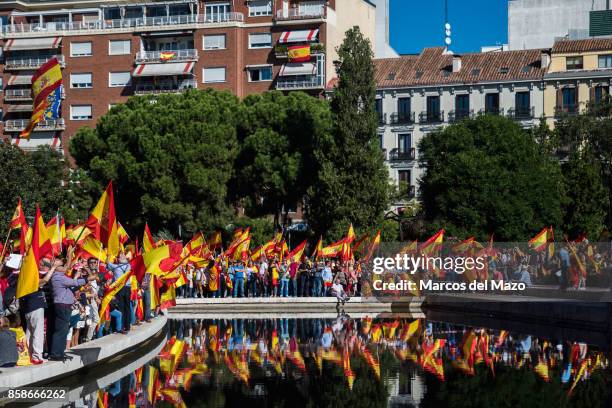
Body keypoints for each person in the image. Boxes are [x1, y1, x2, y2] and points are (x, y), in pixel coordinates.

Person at [49, 260, 96, 361]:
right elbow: (74, 282)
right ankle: (56, 354)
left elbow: (72, 286)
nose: (65, 267)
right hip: (62, 306)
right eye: (62, 265)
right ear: (56, 267)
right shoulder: (58, 277)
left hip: (65, 306)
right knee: (61, 330)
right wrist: (87, 279)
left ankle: (60, 352)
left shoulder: (60, 276)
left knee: (64, 330)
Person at [22, 258, 56, 364]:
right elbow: (45, 280)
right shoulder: (31, 279)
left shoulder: (24, 278)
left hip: (29, 308)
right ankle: (37, 356)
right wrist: (54, 267)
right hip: (35, 307)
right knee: (38, 332)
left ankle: (28, 355)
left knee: (30, 333)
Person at [106, 253, 132, 333]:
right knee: (122, 307)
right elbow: (107, 262)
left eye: (121, 256)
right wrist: (109, 256)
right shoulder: (116, 266)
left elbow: (127, 273)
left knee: (126, 307)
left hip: (125, 287)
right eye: (118, 256)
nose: (119, 257)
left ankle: (126, 326)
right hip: (120, 288)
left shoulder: (128, 265)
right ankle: (122, 326)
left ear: (125, 257)